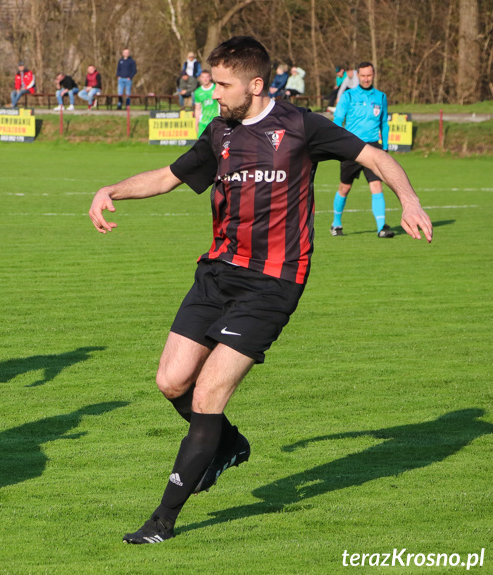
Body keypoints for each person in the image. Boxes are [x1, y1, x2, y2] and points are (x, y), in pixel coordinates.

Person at [88, 36, 432, 545]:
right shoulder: (219, 132)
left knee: (207, 394)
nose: (213, 92)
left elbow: (375, 158)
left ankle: (162, 520)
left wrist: (409, 200)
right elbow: (167, 177)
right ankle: (227, 443)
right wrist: (110, 189)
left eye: (222, 84)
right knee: (171, 382)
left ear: (255, 84)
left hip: (272, 282)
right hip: (217, 272)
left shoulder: (300, 126)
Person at [331, 62, 394, 237]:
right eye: (363, 75)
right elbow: (338, 120)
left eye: (369, 75)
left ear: (374, 75)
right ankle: (336, 224)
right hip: (351, 146)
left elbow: (383, 123)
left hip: (373, 147)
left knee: (376, 185)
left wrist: (386, 147)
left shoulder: (380, 97)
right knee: (345, 187)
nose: (366, 79)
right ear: (358, 75)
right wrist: (336, 143)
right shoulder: (348, 96)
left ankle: (381, 227)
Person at [193, 70, 218, 137]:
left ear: (210, 77)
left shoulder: (216, 88)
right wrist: (196, 123)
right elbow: (198, 109)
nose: (205, 79)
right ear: (200, 78)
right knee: (201, 145)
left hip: (215, 121)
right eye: (203, 77)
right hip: (203, 122)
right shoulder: (198, 92)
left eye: (207, 77)